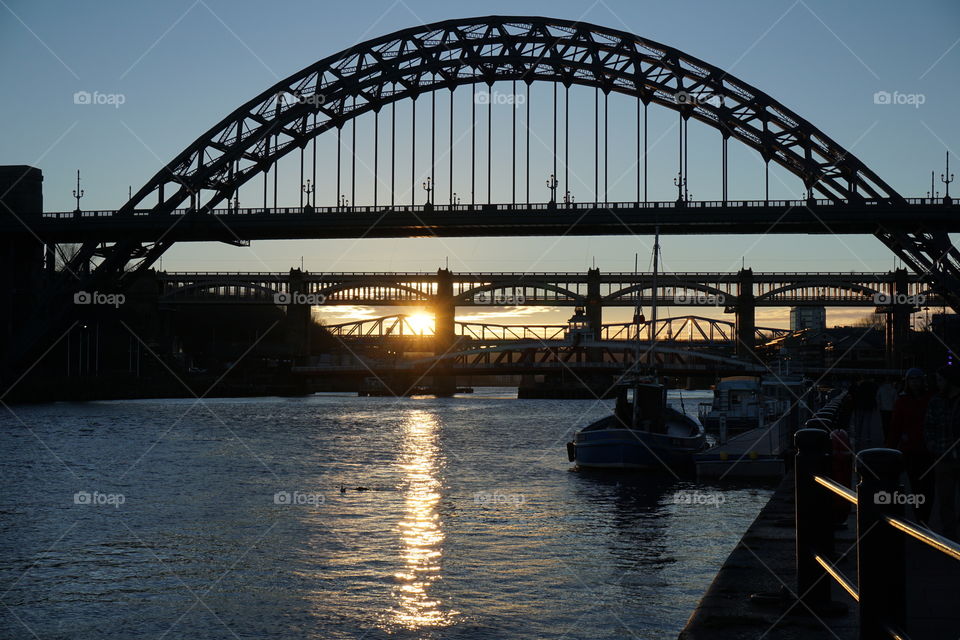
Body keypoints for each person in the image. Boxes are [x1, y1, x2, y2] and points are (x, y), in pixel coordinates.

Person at [887, 368, 934, 524]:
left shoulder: (931, 399)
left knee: (928, 485)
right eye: (912, 380)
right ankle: (920, 517)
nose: (915, 383)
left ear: (923, 381)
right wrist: (890, 448)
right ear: (907, 382)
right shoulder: (902, 401)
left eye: (917, 379)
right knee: (915, 484)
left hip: (929, 449)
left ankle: (925, 515)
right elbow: (896, 426)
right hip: (910, 449)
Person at [923, 365, 960, 539]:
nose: (937, 384)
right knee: (945, 500)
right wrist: (935, 448)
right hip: (943, 457)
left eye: (940, 380)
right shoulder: (935, 401)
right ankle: (950, 537)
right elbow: (928, 427)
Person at [876, 377, 898, 442]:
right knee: (891, 424)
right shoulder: (893, 390)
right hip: (891, 409)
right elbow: (896, 400)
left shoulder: (881, 389)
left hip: (883, 409)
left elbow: (877, 398)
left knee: (885, 424)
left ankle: (886, 438)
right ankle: (890, 437)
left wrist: (879, 406)